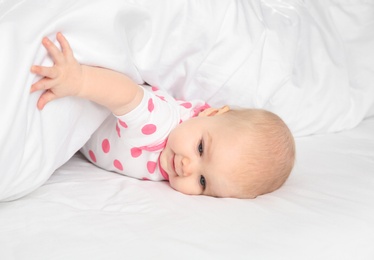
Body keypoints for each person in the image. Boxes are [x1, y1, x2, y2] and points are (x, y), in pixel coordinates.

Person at [30, 32, 295, 199]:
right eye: (201, 148)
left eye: (203, 181)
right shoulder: (161, 123)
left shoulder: (189, 139)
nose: (186, 166)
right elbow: (125, 94)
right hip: (83, 105)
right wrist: (79, 81)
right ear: (212, 113)